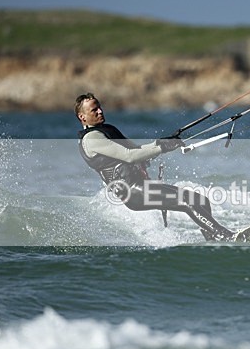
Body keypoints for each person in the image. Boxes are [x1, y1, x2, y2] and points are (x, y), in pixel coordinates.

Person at [75, 92, 237, 241]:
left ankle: (212, 238)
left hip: (141, 186)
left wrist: (160, 143)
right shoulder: (91, 139)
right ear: (82, 117)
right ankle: (225, 236)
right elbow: (129, 156)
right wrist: (162, 147)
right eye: (94, 110)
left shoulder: (107, 130)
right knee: (189, 202)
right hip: (132, 192)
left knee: (200, 201)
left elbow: (136, 151)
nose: (100, 111)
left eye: (100, 107)